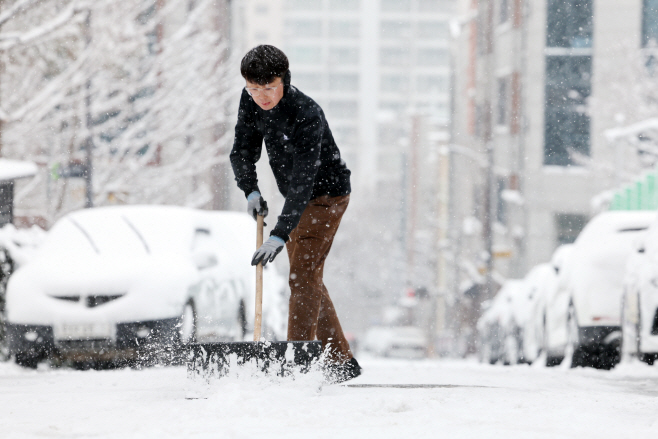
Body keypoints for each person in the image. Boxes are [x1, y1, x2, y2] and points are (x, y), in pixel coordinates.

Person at [230, 45, 361, 383]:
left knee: (302, 276)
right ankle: (339, 360)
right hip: (297, 199)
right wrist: (251, 190)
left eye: (268, 87)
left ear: (284, 81)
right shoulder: (251, 101)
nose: (261, 96)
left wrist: (279, 232)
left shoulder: (306, 113)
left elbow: (304, 181)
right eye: (253, 88)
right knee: (308, 275)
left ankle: (297, 364)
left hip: (327, 197)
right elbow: (242, 149)